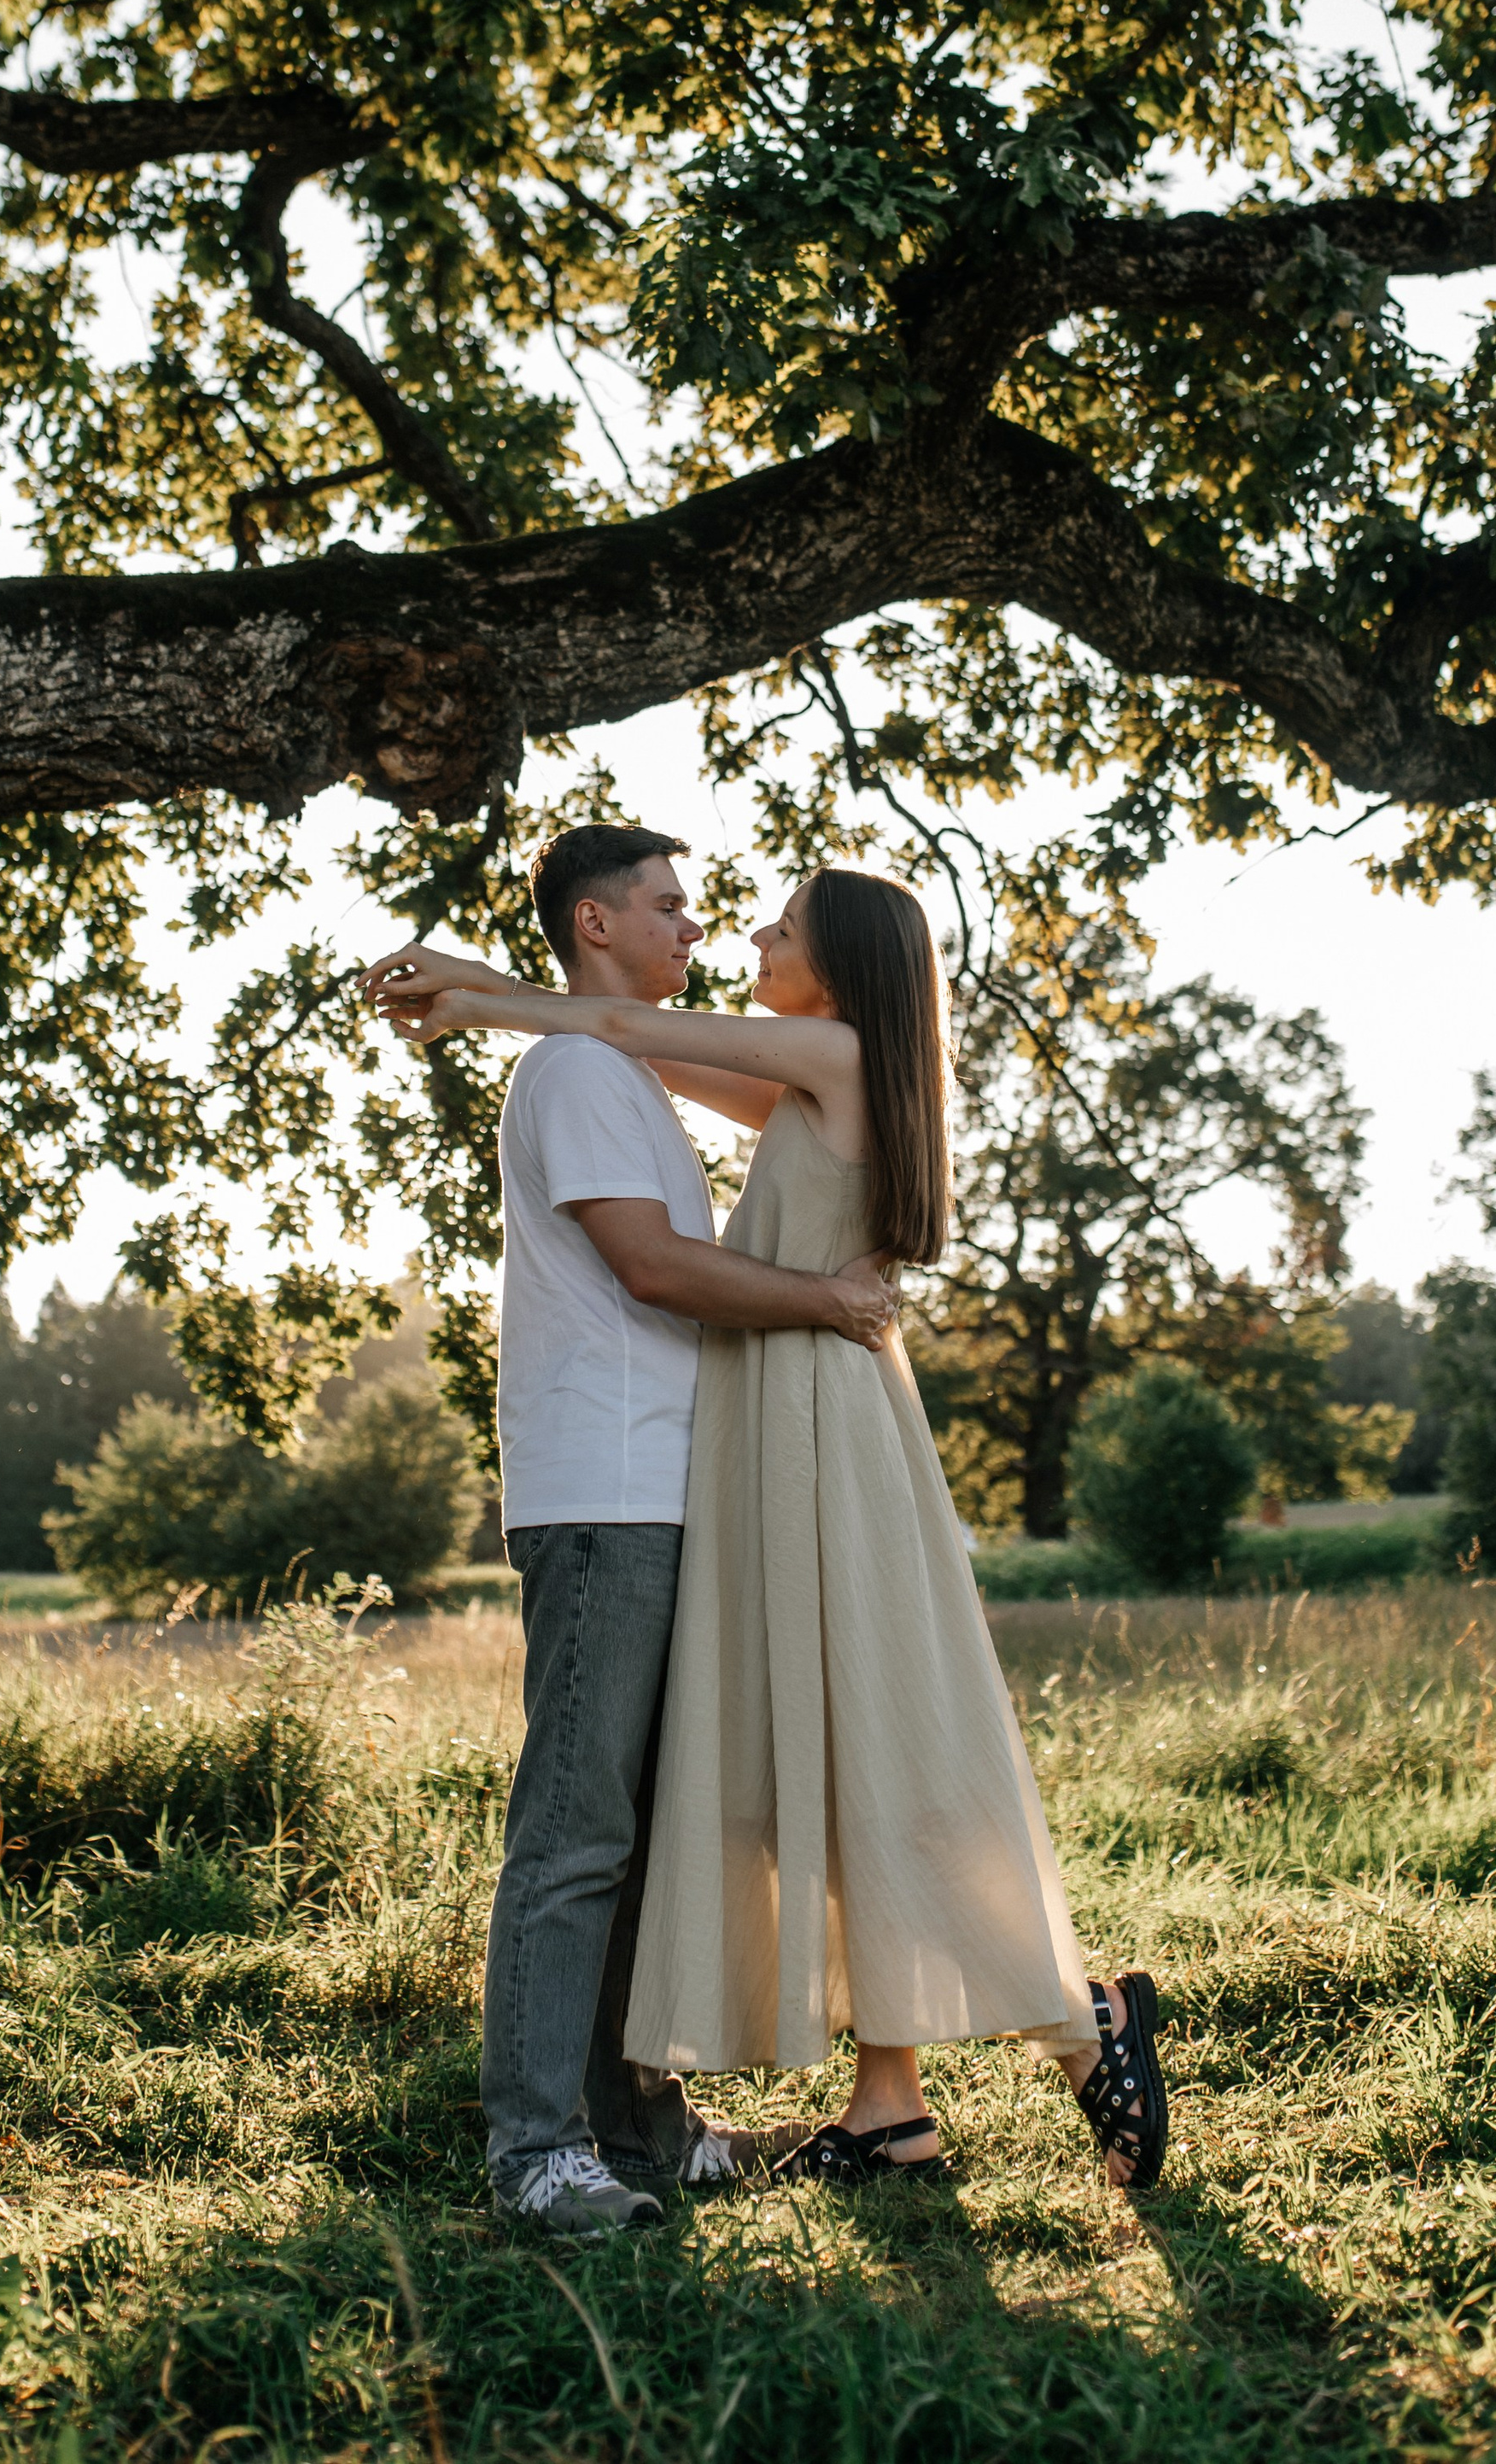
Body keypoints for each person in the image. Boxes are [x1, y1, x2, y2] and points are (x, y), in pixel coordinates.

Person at [372, 862, 1169, 2198]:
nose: (746, 930)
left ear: (838, 964)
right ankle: (889, 2106)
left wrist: (473, 995)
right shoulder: (820, 1083)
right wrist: (500, 989)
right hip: (787, 1420)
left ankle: (1079, 2021)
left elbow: (620, 1024)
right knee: (830, 1750)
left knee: (874, 1745)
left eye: (781, 925)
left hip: (819, 1421)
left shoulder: (835, 1052)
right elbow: (634, 1042)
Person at [364, 826, 900, 2236]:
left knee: (645, 1833)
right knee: (577, 1829)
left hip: (664, 1487)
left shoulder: (627, 1069)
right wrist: (832, 1304)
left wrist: (482, 984)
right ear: (596, 924)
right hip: (606, 1494)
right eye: (668, 906)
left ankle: (642, 2130)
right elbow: (654, 1268)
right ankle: (537, 2152)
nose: (696, 929)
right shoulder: (581, 1073)